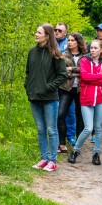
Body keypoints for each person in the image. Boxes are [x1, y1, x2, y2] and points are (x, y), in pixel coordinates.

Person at [25, 23, 68, 172]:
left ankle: (52, 160)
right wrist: (28, 87)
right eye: (36, 32)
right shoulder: (32, 52)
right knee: (40, 129)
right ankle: (44, 158)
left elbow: (63, 75)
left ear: (47, 36)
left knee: (51, 129)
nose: (36, 34)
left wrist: (49, 87)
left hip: (50, 98)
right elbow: (28, 72)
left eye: (39, 32)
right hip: (34, 97)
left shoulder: (55, 53)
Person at [67, 39, 102, 165]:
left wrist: (93, 78)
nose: (92, 50)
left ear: (101, 49)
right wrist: (99, 76)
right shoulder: (85, 60)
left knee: (98, 127)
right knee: (88, 127)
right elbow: (84, 77)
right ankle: (75, 151)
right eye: (91, 47)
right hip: (86, 98)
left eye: (96, 48)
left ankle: (96, 153)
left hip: (101, 99)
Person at [57, 33, 88, 153]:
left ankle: (78, 145)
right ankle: (62, 143)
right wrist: (76, 72)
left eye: (72, 40)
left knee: (80, 117)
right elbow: (61, 71)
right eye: (68, 40)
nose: (69, 42)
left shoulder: (86, 56)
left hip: (81, 89)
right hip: (66, 88)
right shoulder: (63, 55)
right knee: (60, 115)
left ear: (78, 42)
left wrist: (72, 69)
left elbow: (86, 71)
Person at [55, 22, 77, 145]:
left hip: (68, 82)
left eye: (59, 30)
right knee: (56, 109)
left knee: (69, 110)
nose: (56, 32)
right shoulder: (51, 43)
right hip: (54, 81)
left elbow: (73, 66)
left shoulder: (67, 44)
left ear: (65, 32)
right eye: (55, 29)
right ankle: (58, 135)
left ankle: (71, 135)